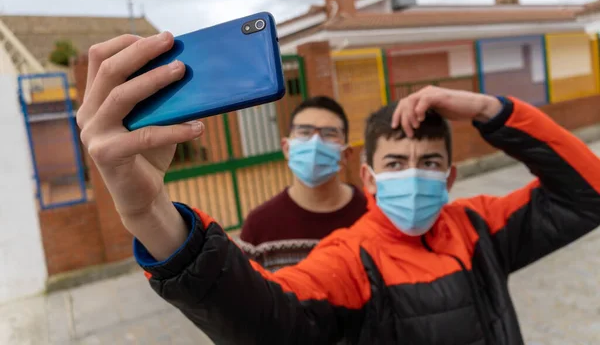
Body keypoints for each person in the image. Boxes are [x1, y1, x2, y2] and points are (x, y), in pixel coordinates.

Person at [77, 33, 600, 344]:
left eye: (429, 163)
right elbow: (268, 320)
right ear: (369, 177)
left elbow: (587, 195)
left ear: (451, 177)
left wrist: (493, 110)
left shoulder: (479, 226)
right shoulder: (351, 257)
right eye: (396, 162)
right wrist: (149, 213)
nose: (414, 174)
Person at [237, 96, 367, 270]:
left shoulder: (371, 215)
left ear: (346, 154)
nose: (315, 144)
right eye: (304, 132)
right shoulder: (259, 227)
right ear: (286, 148)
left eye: (329, 134)